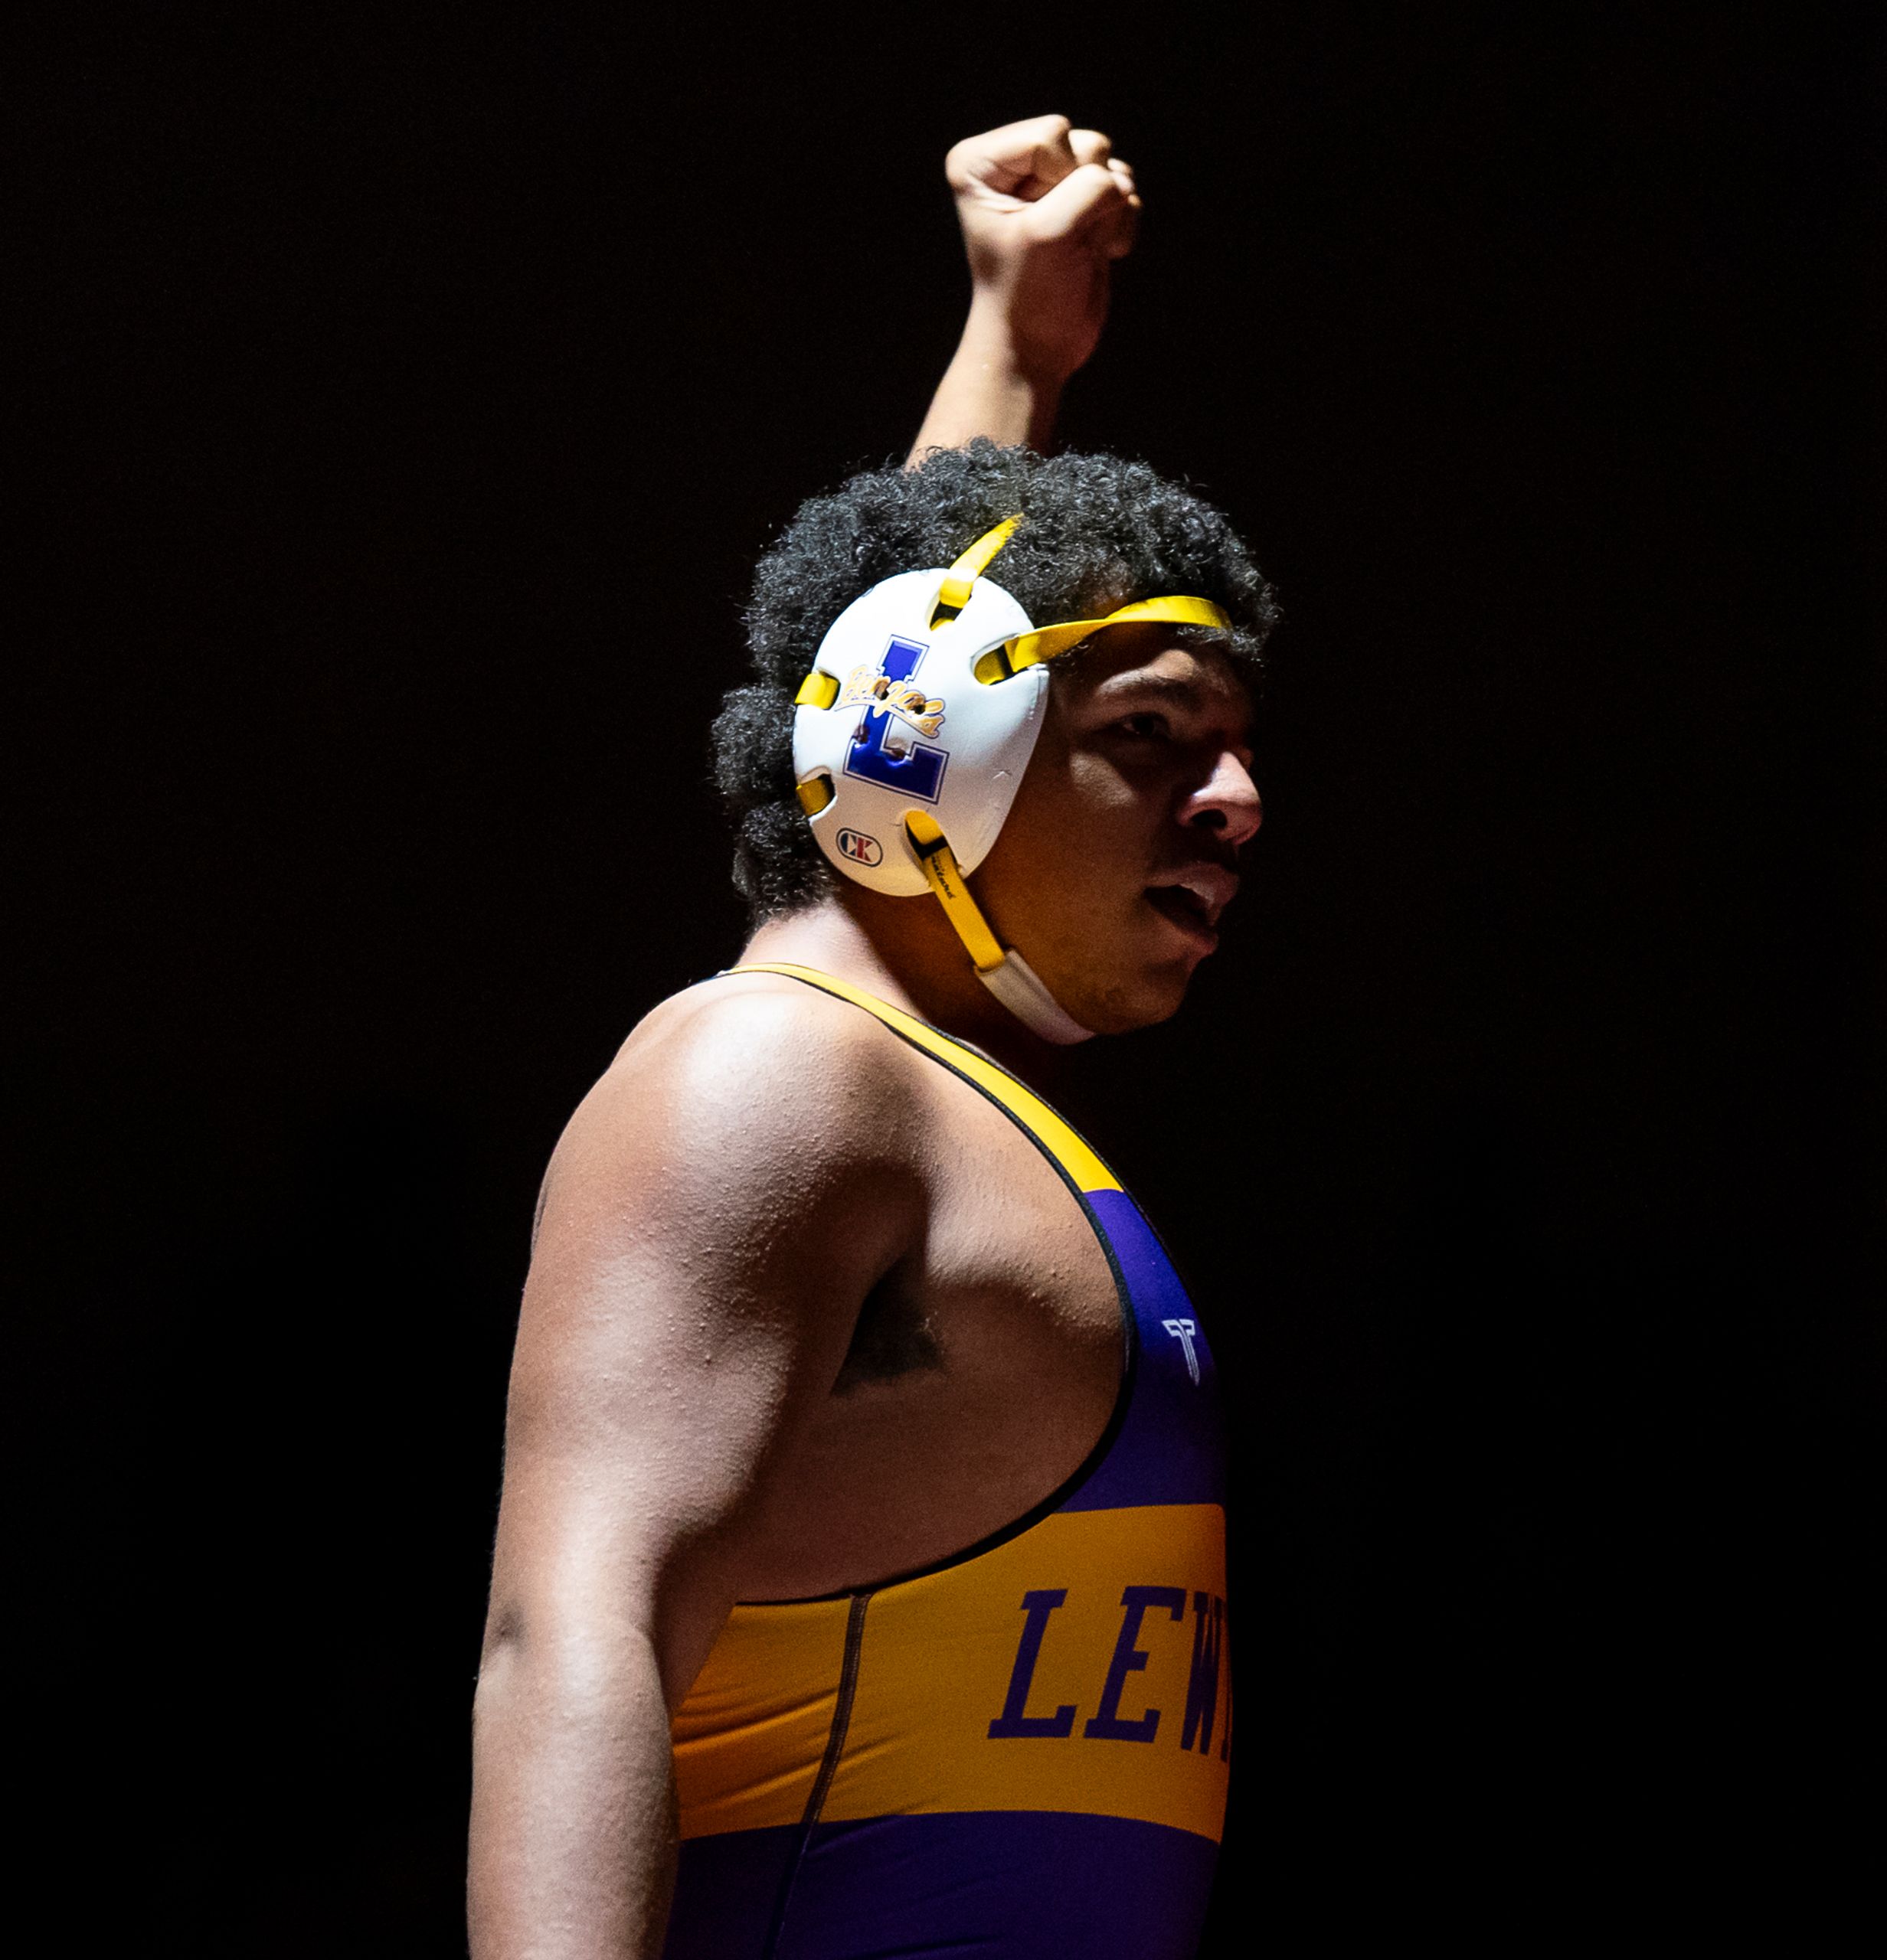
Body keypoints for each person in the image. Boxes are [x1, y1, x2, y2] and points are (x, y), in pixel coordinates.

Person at [469, 114, 1269, 1960]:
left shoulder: (924, 1088)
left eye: (1236, 740)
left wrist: (1018, 339)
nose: (1235, 798)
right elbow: (571, 1637)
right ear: (941, 765)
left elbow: (917, 659)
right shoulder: (770, 1072)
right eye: (1154, 731)